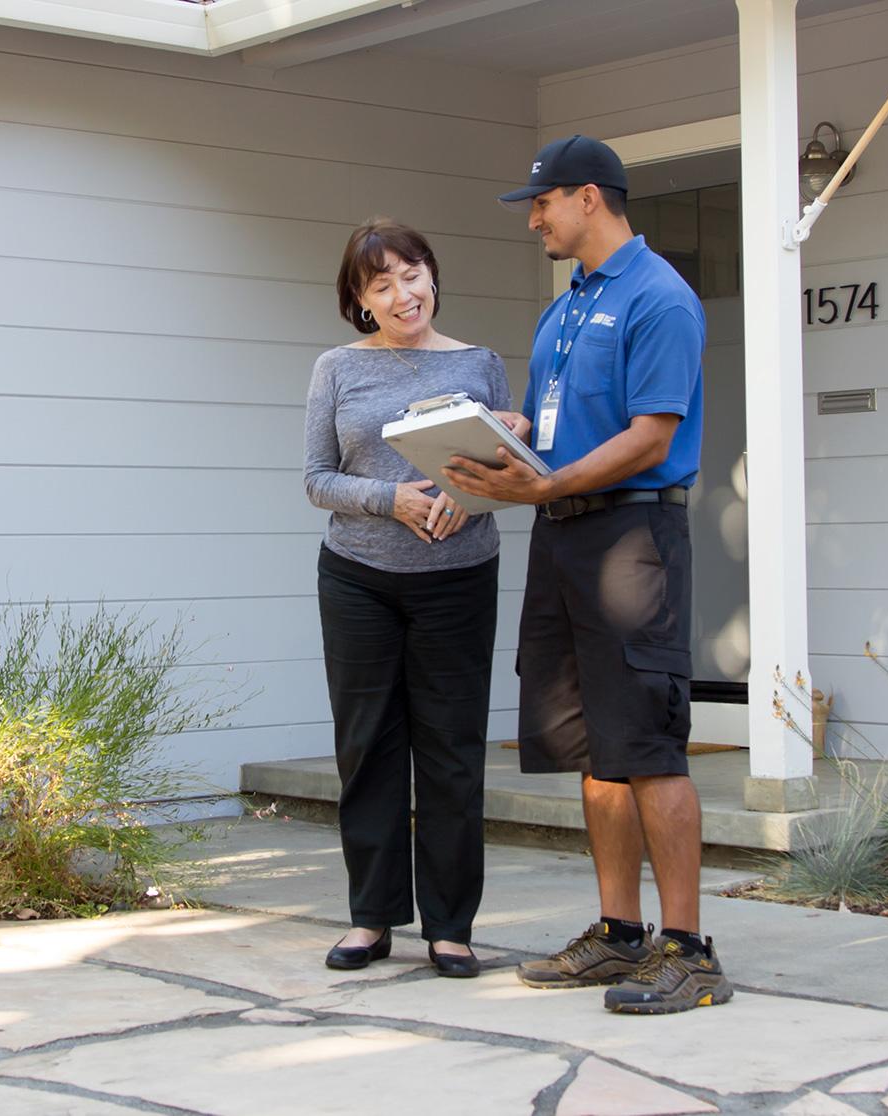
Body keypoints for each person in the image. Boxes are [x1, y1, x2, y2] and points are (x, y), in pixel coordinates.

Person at [446, 136, 733, 1014]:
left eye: (542, 203)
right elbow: (567, 423)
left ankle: (689, 952)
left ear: (589, 199)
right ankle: (620, 935)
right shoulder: (566, 305)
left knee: (647, 745)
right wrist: (505, 431)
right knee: (593, 749)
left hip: (632, 538)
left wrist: (547, 480)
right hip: (562, 534)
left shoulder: (661, 299)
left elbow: (650, 436)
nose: (533, 218)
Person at [302, 218, 522, 979]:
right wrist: (390, 500)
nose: (403, 293)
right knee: (368, 748)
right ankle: (371, 918)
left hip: (460, 579)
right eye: (381, 282)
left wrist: (471, 489)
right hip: (358, 578)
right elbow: (316, 479)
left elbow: (511, 464)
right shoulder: (336, 369)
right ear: (361, 299)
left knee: (453, 754)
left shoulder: (481, 363)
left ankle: (452, 927)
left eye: (412, 273)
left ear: (433, 274)